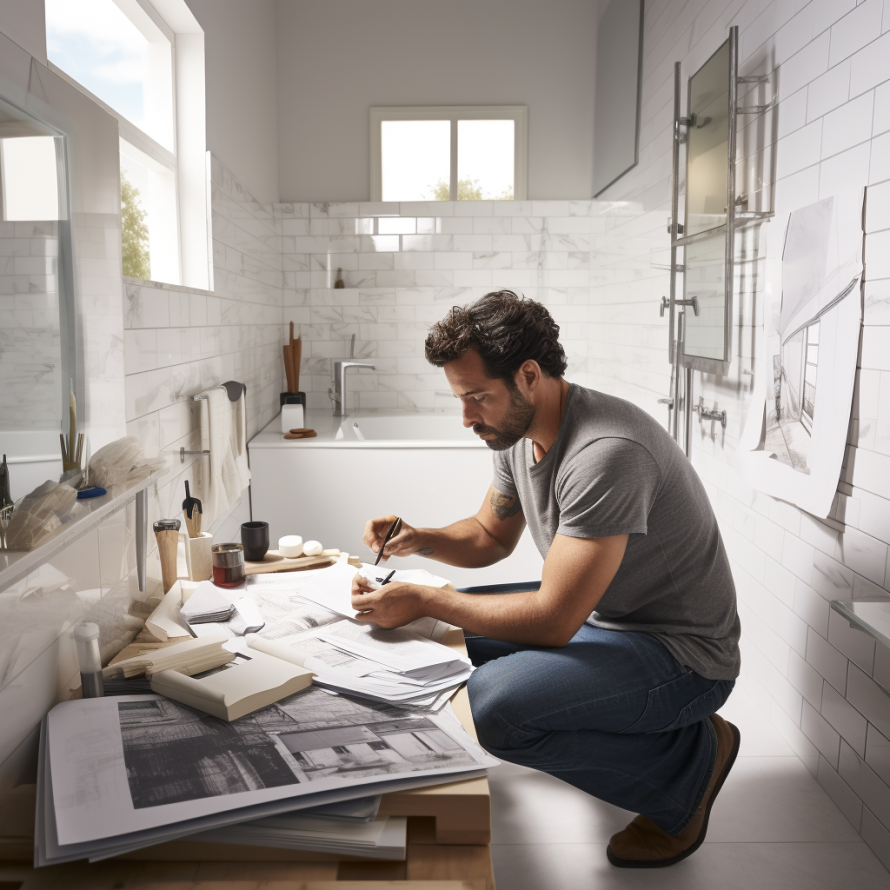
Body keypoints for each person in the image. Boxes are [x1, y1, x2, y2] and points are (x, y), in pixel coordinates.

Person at [351, 290, 741, 869]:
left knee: (496, 708)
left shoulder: (606, 452)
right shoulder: (515, 432)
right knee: (432, 626)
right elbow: (489, 535)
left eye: (477, 397)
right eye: (461, 399)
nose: (467, 417)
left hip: (682, 657)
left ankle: (687, 770)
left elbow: (556, 620)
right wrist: (420, 538)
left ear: (528, 375)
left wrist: (425, 596)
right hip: (605, 623)